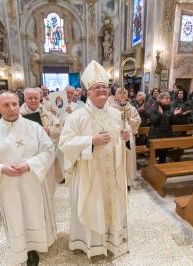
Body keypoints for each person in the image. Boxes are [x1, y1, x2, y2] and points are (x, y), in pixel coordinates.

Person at [0, 92, 56, 266]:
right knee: (15, 215)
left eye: (14, 104)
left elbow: (48, 150)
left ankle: (33, 249)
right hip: (7, 184)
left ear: (19, 104)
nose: (11, 108)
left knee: (33, 213)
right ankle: (20, 248)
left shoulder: (34, 127)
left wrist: (30, 164)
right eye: (6, 105)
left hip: (31, 180)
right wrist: (0, 168)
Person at [59, 60, 131, 258]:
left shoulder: (118, 115)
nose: (101, 90)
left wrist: (126, 138)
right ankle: (91, 244)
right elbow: (65, 143)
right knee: (93, 205)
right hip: (88, 173)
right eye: (96, 87)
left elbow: (127, 136)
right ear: (88, 92)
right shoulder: (76, 117)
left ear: (109, 91)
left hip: (112, 173)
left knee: (111, 204)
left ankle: (112, 239)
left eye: (104, 87)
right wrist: (91, 141)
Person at [20, 87, 63, 194]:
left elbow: (59, 129)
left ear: (40, 98)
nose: (34, 100)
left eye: (36, 98)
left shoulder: (48, 113)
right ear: (25, 99)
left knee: (48, 184)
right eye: (30, 98)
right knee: (32, 187)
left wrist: (48, 130)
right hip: (28, 156)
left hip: (47, 155)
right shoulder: (18, 116)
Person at [112, 87, 141, 188]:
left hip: (129, 139)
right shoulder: (111, 109)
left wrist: (129, 118)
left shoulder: (132, 109)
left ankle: (127, 182)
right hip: (115, 140)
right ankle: (116, 181)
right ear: (115, 96)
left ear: (128, 95)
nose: (123, 95)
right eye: (120, 93)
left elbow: (137, 122)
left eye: (125, 93)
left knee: (128, 160)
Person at [148, 92, 182, 163]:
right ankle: (152, 170)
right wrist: (160, 114)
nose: (169, 100)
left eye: (169, 98)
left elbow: (172, 122)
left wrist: (174, 115)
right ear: (160, 99)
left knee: (163, 155)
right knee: (154, 155)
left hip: (166, 135)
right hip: (156, 135)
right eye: (166, 98)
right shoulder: (154, 107)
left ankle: (161, 169)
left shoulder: (168, 108)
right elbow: (153, 121)